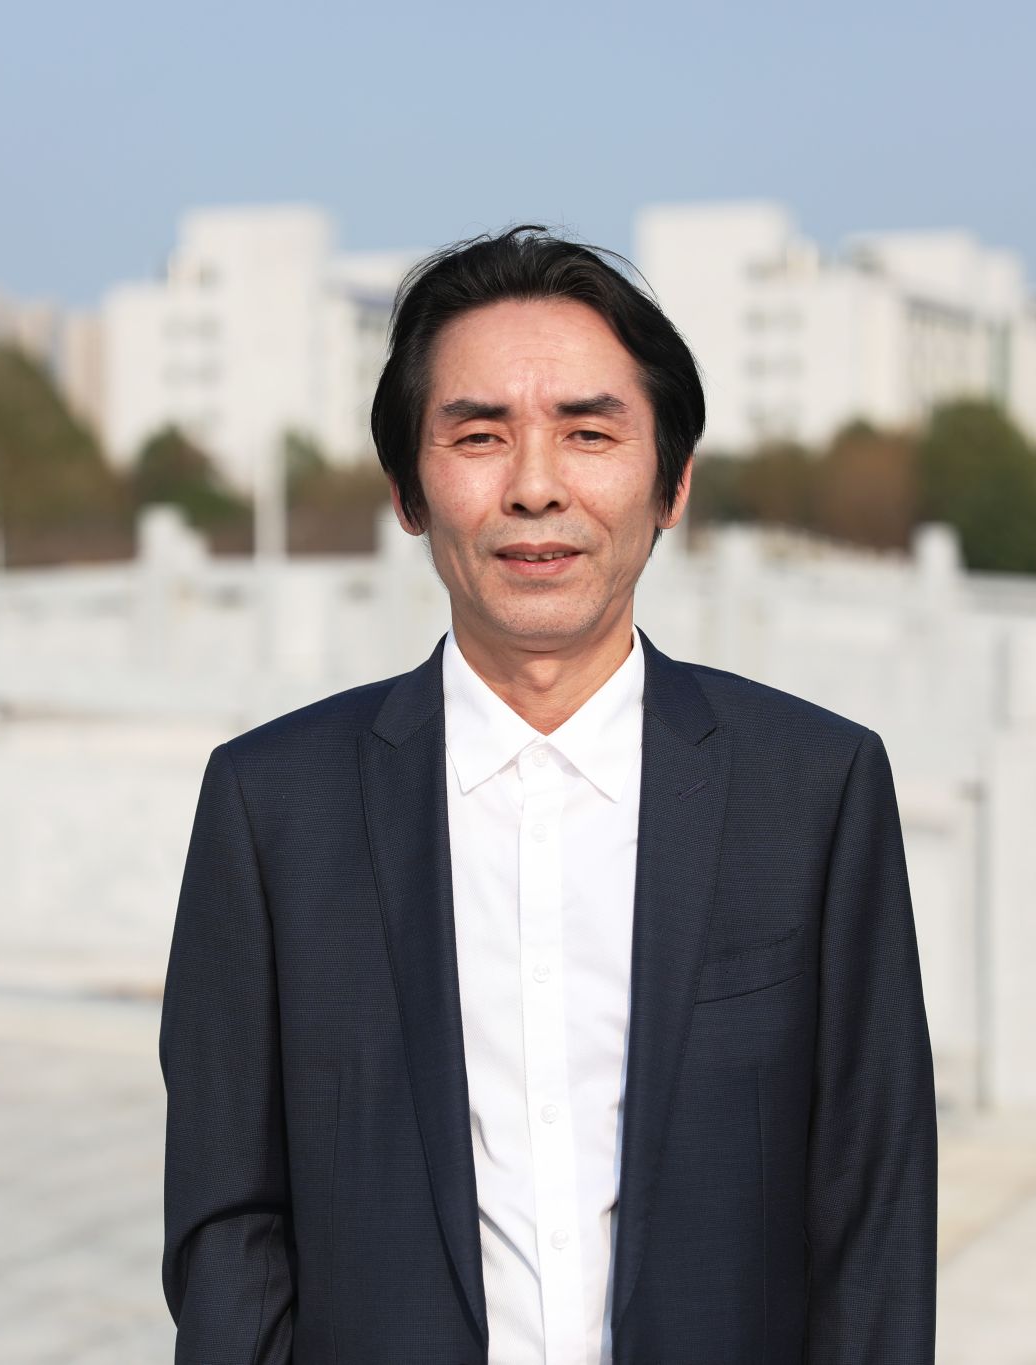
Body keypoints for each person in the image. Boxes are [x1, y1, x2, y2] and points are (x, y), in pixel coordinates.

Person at [159, 225, 936, 1363]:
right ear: (407, 490)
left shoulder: (813, 791)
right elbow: (227, 1222)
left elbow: (875, 1208)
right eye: (479, 435)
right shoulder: (272, 808)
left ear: (671, 481)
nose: (533, 488)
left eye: (588, 433)